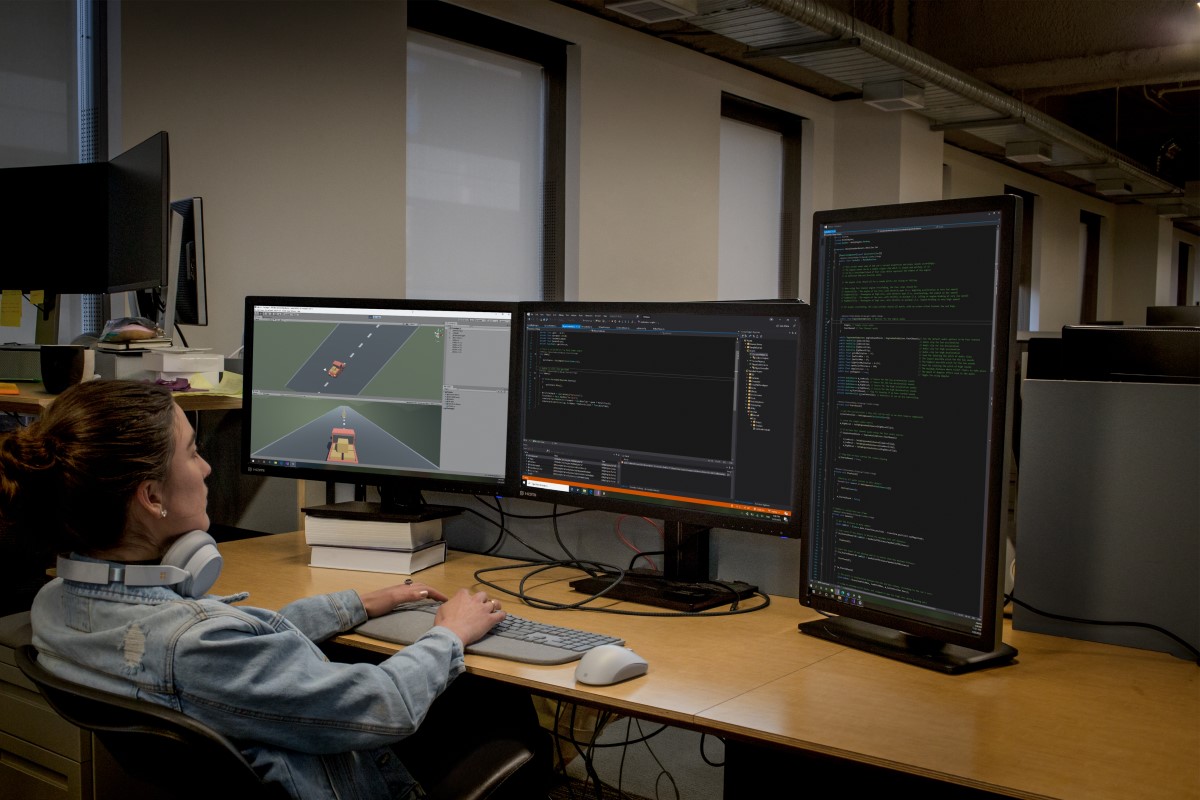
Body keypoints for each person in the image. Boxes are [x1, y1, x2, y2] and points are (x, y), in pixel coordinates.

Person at [0, 379, 550, 799]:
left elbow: (244, 655)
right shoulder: (196, 646)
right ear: (152, 497)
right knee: (501, 706)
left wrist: (356, 604)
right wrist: (450, 633)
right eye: (193, 452)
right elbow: (384, 707)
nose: (208, 467)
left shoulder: (55, 602)